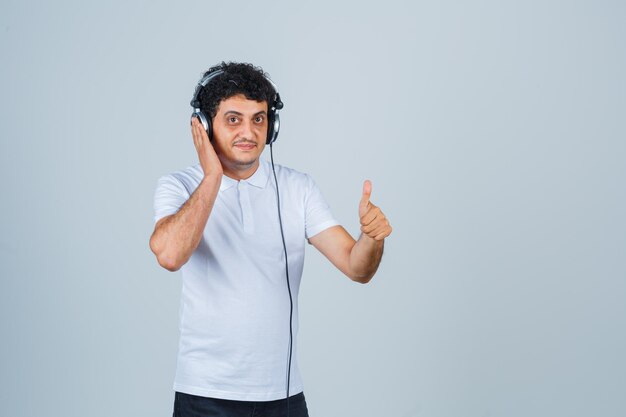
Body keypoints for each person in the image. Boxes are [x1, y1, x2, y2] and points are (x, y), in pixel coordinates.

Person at [149, 62, 392, 417]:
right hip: (204, 395)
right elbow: (169, 254)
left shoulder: (298, 188)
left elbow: (358, 267)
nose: (248, 131)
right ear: (203, 125)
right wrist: (213, 176)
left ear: (272, 125)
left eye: (258, 119)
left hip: (284, 397)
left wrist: (372, 237)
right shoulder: (179, 186)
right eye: (233, 119)